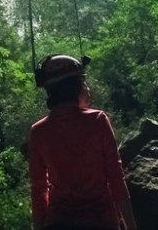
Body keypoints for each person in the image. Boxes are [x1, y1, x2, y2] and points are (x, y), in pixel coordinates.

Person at [28, 54, 138, 230]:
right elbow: (115, 176)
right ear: (76, 87)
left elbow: (39, 187)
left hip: (58, 222)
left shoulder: (39, 131)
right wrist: (131, 226)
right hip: (100, 221)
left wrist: (39, 225)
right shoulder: (97, 120)